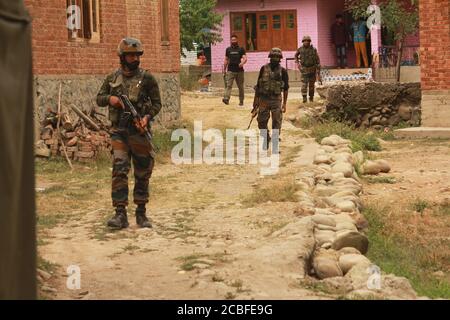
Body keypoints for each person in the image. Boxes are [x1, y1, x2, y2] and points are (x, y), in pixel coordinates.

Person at [96, 37, 162, 229]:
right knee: (119, 170)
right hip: (119, 132)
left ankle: (141, 213)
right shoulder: (112, 78)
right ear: (122, 57)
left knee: (142, 171)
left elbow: (157, 104)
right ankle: (120, 214)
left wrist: (146, 118)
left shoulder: (147, 78)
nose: (134, 58)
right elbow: (99, 98)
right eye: (130, 55)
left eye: (137, 55)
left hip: (139, 131)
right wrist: (112, 99)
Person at [254, 48, 289, 150]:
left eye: (277, 57)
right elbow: (258, 86)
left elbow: (286, 88)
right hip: (263, 99)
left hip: (276, 100)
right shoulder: (263, 69)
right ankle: (266, 138)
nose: (275, 59)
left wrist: (285, 104)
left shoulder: (283, 71)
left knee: (276, 122)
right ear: (270, 57)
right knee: (261, 122)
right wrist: (255, 103)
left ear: (280, 59)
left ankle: (275, 145)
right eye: (273, 56)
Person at [295, 36, 321, 103]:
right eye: (305, 41)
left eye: (308, 41)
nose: (306, 42)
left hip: (312, 69)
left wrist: (318, 71)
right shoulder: (300, 49)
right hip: (304, 69)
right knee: (304, 85)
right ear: (303, 42)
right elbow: (296, 56)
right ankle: (304, 98)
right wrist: (298, 64)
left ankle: (311, 98)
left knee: (311, 86)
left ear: (310, 42)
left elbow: (317, 59)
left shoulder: (313, 49)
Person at [223, 34, 247, 106]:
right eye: (232, 40)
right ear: (230, 41)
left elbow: (245, 58)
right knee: (229, 85)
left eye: (234, 40)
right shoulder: (228, 49)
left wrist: (242, 63)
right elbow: (226, 59)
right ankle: (226, 98)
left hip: (239, 71)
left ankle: (241, 101)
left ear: (237, 40)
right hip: (230, 70)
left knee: (240, 87)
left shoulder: (241, 49)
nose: (233, 41)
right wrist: (224, 69)